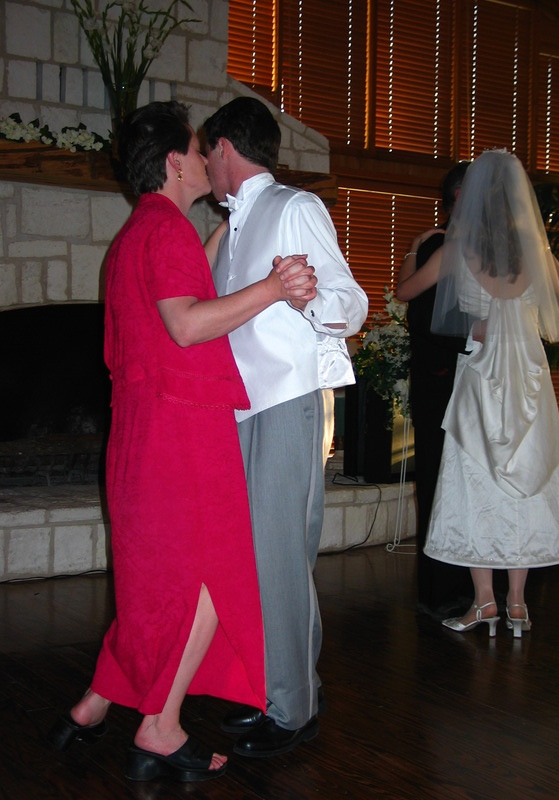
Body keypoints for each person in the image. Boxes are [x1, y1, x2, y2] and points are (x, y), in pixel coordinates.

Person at [47, 100, 318, 782]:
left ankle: (93, 705)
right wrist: (273, 286)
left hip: (141, 431)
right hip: (181, 433)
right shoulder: (166, 231)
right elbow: (188, 324)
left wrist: (234, 228)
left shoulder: (139, 233)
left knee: (153, 582)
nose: (205, 160)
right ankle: (160, 727)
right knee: (208, 576)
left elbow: (180, 286)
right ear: (175, 162)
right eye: (198, 151)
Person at [202, 97, 368, 757]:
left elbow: (350, 301)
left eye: (206, 152)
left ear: (223, 148)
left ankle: (291, 711)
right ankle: (289, 687)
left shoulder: (294, 206)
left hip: (286, 402)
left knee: (278, 559)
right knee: (262, 561)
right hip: (240, 409)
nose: (204, 165)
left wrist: (310, 295)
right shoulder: (232, 226)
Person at [397, 149, 559, 638]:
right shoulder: (537, 253)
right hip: (529, 383)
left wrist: (413, 250)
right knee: (524, 480)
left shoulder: (455, 250)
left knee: (474, 481)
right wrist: (551, 268)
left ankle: (483, 602)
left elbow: (406, 292)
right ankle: (517, 604)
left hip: (480, 378)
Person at [396, 162, 473, 620]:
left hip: (471, 382)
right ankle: (444, 589)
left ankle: (472, 586)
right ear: (460, 197)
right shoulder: (439, 246)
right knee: (440, 481)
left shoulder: (478, 249)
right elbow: (419, 313)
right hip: (444, 383)